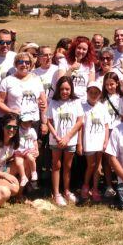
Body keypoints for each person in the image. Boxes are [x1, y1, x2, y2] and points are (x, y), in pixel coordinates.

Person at [47, 76, 84, 206]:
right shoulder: (53, 102)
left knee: (67, 166)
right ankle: (56, 193)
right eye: (62, 89)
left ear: (71, 89)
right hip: (56, 141)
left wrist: (68, 137)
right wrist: (57, 137)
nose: (65, 92)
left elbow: (79, 121)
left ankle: (67, 191)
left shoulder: (76, 102)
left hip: (70, 140)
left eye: (67, 89)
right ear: (58, 89)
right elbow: (49, 122)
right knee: (56, 166)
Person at [0, 52, 47, 136]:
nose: (24, 65)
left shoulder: (37, 80)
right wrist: (11, 111)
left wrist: (44, 122)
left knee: (32, 147)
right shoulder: (7, 80)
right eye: (20, 62)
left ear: (31, 65)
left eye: (27, 62)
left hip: (33, 121)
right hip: (15, 121)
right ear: (15, 64)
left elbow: (44, 102)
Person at [80, 84, 111, 202]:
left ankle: (95, 188)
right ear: (87, 92)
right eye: (91, 92)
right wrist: (80, 143)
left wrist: (106, 140)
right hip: (88, 141)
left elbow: (106, 126)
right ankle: (86, 185)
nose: (93, 95)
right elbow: (81, 126)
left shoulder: (102, 107)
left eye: (96, 93)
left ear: (100, 94)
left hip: (100, 140)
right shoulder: (82, 106)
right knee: (91, 165)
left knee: (98, 166)